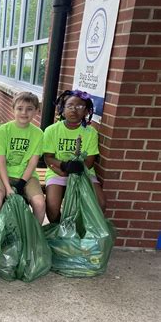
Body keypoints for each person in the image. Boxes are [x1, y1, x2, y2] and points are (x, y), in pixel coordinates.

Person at [43, 89, 106, 223]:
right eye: (69, 106)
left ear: (86, 111)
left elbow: (89, 162)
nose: (74, 110)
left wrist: (78, 168)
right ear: (62, 109)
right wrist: (63, 166)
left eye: (79, 106)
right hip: (58, 171)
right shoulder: (51, 130)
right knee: (52, 207)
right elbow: (48, 157)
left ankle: (82, 233)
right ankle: (59, 231)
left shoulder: (90, 133)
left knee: (100, 203)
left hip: (83, 172)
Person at [0, 91, 46, 224]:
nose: (24, 113)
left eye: (29, 109)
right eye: (20, 108)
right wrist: (8, 188)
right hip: (3, 173)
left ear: (37, 111)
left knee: (39, 203)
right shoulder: (3, 130)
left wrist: (22, 182)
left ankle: (34, 235)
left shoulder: (38, 133)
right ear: (13, 109)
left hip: (27, 175)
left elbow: (33, 162)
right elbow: (1, 161)